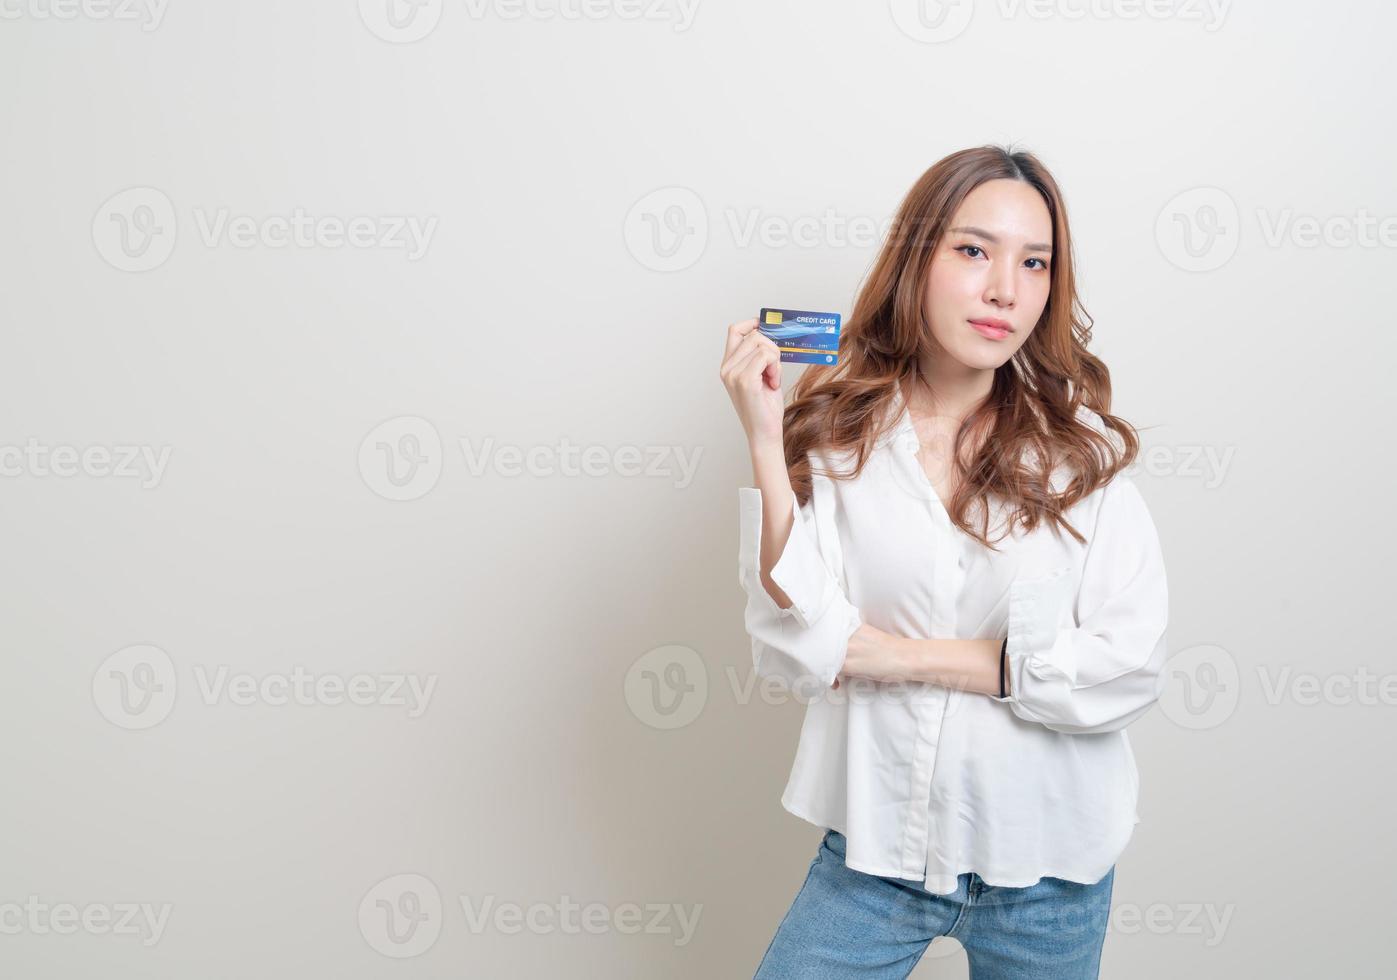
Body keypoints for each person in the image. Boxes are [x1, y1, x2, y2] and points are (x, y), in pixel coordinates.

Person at [718, 145, 1170, 979]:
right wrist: (762, 436)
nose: (1005, 288)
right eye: (972, 250)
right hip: (878, 853)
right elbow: (798, 645)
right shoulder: (838, 439)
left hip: (1050, 872)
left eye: (1033, 262)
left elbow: (1125, 671)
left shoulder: (1082, 463)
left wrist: (900, 656)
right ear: (915, 260)